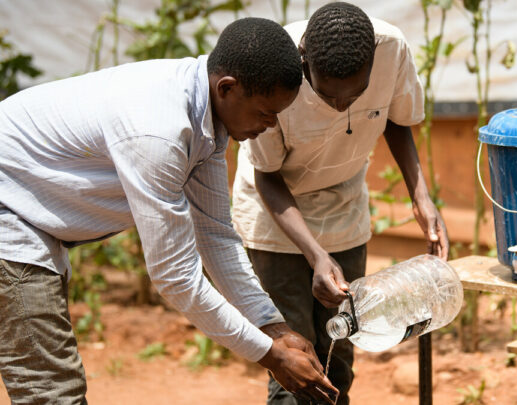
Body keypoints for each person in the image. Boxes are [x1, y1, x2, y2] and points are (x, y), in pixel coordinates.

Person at [0, 18, 338, 404]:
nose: (270, 124)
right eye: (265, 112)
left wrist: (272, 326)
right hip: (10, 211)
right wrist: (268, 354)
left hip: (28, 215)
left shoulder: (206, 117)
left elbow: (215, 235)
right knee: (52, 393)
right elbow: (175, 277)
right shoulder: (159, 131)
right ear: (227, 87)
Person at [232, 3, 449, 404]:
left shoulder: (391, 50)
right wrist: (316, 255)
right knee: (294, 356)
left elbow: (398, 120)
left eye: (358, 92)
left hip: (343, 207)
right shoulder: (275, 71)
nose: (342, 106)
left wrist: (421, 197)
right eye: (329, 94)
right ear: (303, 62)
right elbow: (267, 176)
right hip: (276, 216)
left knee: (342, 345)